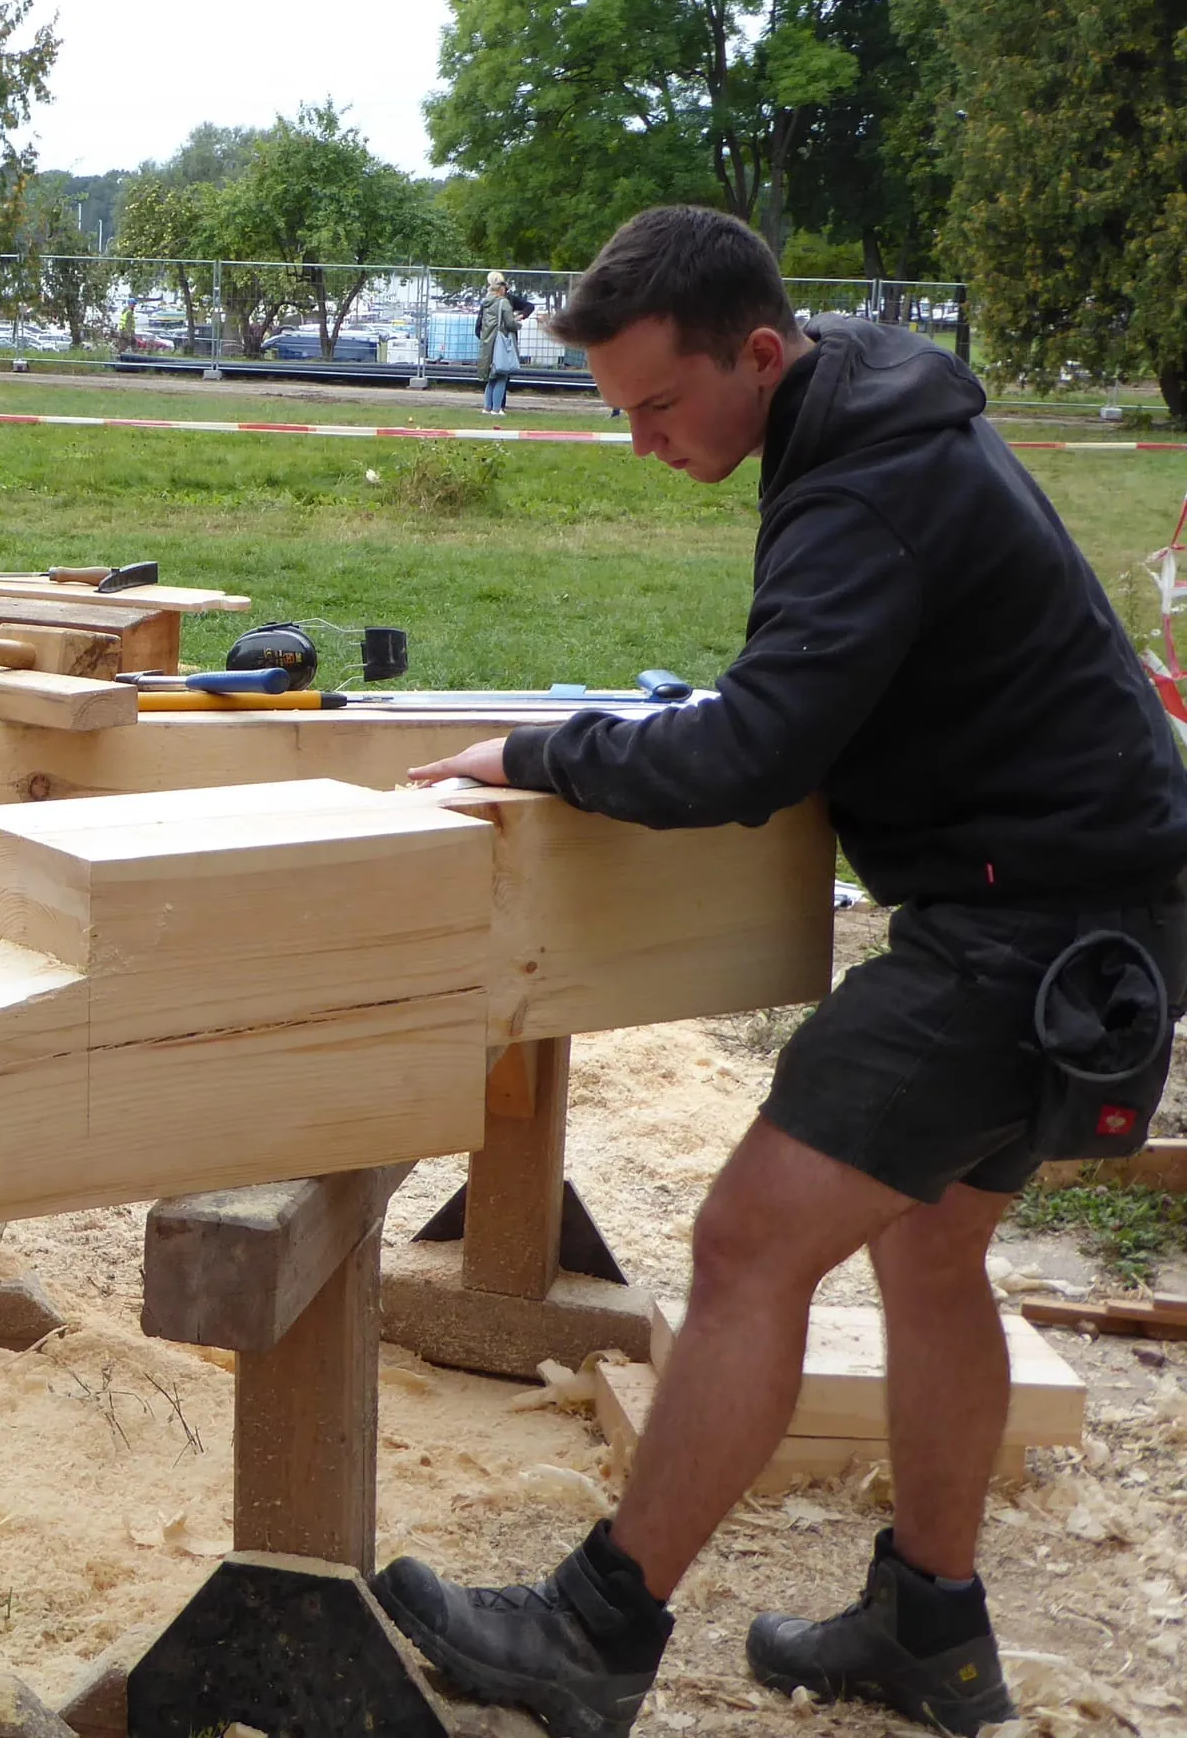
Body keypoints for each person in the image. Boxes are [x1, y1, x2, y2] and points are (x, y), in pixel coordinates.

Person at [381, 205, 1187, 1738]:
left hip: (1024, 932)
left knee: (751, 1244)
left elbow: (753, 750)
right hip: (1099, 917)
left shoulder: (865, 482)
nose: (640, 444)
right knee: (931, 1255)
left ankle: (592, 1633)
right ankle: (929, 1631)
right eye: (618, 413)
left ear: (759, 351)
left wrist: (533, 753)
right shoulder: (866, 406)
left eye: (658, 406)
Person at [476, 269, 522, 415]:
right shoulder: (504, 303)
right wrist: (518, 323)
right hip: (500, 342)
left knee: (491, 377)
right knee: (502, 374)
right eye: (505, 288)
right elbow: (509, 323)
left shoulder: (486, 303)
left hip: (488, 342)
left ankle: (486, 407)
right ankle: (497, 409)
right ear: (501, 289)